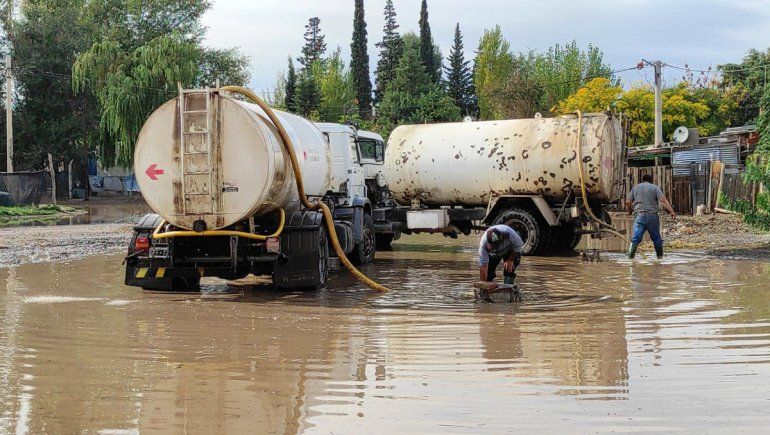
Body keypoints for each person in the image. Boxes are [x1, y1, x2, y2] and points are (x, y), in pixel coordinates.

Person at [625, 174, 676, 259]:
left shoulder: (636, 188)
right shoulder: (655, 187)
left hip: (639, 216)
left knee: (635, 239)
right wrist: (672, 211)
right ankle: (660, 258)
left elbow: (627, 202)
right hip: (652, 216)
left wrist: (630, 210)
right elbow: (662, 200)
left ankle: (630, 259)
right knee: (656, 238)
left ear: (642, 180)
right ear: (651, 180)